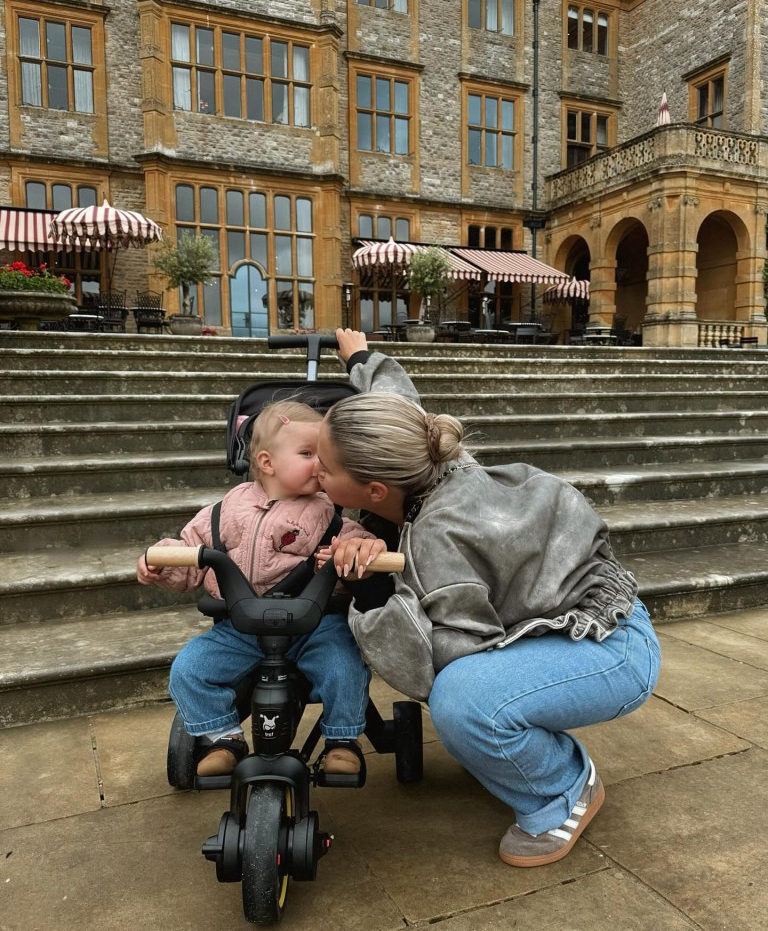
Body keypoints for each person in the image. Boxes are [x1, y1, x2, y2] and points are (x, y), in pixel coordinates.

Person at [313, 328, 661, 868]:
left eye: (324, 466)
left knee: (463, 701)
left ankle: (562, 789)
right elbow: (399, 403)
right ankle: (532, 753)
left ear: (375, 491)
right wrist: (360, 357)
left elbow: (441, 662)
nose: (313, 469)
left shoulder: (436, 538)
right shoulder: (434, 456)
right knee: (471, 699)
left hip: (612, 650)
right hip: (596, 612)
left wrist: (370, 592)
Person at [137, 398, 386, 777]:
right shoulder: (223, 511)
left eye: (324, 456)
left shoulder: (327, 513)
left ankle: (341, 739)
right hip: (240, 627)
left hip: (313, 623)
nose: (320, 464)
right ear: (267, 462)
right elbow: (191, 556)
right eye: (308, 453)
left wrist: (362, 549)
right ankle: (223, 738)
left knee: (343, 665)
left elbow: (355, 538)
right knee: (189, 669)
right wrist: (163, 561)